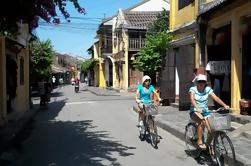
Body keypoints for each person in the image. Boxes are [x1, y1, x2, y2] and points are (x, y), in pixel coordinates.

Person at [189, 74, 230, 149]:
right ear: (197, 82)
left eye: (203, 81)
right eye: (199, 82)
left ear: (205, 83)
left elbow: (215, 98)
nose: (201, 83)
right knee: (202, 122)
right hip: (195, 111)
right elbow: (192, 99)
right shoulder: (193, 89)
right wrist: (197, 108)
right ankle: (200, 141)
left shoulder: (208, 89)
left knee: (213, 128)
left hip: (205, 111)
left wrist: (224, 105)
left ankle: (209, 145)